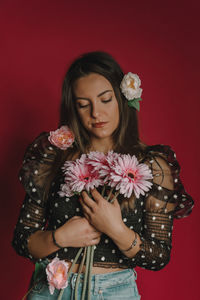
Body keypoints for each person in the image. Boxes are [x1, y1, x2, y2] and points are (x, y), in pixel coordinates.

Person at [12, 51, 194, 300]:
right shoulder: (54, 157)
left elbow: (158, 256)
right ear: (73, 109)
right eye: (84, 105)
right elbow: (23, 240)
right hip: (51, 290)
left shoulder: (153, 165)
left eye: (105, 100)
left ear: (122, 99)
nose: (96, 113)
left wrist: (116, 229)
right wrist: (59, 237)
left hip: (114, 292)